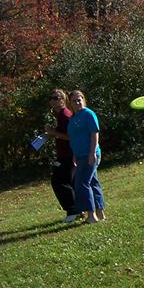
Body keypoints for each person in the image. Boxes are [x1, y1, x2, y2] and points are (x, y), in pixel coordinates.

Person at [67, 90, 106, 224]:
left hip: (89, 154)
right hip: (80, 155)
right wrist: (74, 154)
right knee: (93, 182)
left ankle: (91, 215)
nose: (77, 102)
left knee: (82, 183)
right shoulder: (73, 119)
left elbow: (94, 133)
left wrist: (92, 153)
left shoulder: (88, 114)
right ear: (70, 103)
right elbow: (74, 138)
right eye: (74, 100)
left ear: (84, 100)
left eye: (80, 99)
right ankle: (100, 213)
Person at [44, 89, 80, 223]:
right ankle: (78, 209)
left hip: (68, 154)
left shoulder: (65, 115)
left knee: (59, 181)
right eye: (51, 98)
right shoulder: (60, 115)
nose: (53, 100)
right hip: (64, 154)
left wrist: (53, 132)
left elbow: (71, 137)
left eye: (56, 98)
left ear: (63, 100)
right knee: (67, 181)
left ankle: (73, 210)